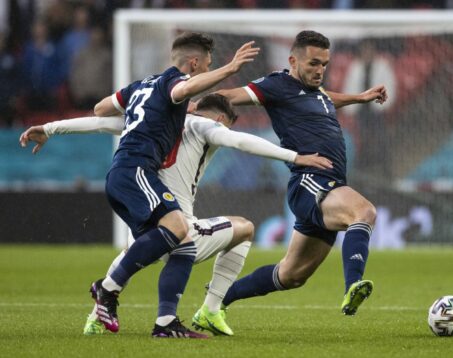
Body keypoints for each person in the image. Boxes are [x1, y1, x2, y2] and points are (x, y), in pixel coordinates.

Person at [20, 94, 332, 336]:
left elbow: (98, 122)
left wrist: (49, 128)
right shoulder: (207, 126)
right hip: (182, 226)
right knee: (245, 228)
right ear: (222, 118)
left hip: (148, 218)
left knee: (135, 250)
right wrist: (294, 157)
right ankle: (210, 309)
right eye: (226, 123)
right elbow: (240, 141)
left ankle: (95, 320)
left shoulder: (155, 122)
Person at [85, 32, 258, 338]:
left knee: (176, 240)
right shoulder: (174, 85)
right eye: (207, 65)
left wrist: (51, 128)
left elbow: (100, 110)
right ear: (194, 63)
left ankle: (164, 323)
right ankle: (108, 288)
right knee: (183, 229)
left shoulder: (142, 87)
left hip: (125, 175)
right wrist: (230, 69)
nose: (207, 72)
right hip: (135, 170)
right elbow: (188, 88)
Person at [216, 30, 387, 316]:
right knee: (364, 212)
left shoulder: (314, 91)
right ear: (293, 60)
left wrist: (359, 97)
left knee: (290, 275)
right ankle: (353, 287)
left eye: (324, 64)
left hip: (328, 185)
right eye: (313, 64)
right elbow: (228, 95)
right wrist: (191, 105)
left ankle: (217, 301)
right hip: (311, 182)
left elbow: (324, 99)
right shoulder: (277, 85)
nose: (320, 70)